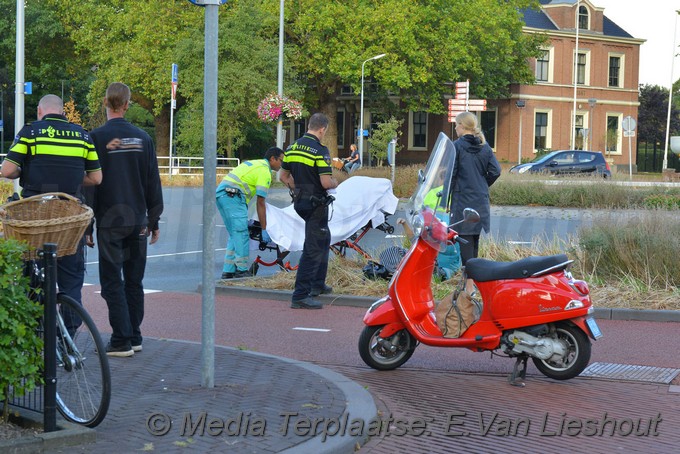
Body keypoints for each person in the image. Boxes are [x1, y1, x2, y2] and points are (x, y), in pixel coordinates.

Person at [1, 94, 102, 331]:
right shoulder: (82, 135)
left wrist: (22, 173)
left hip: (36, 217)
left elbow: (7, 170)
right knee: (71, 280)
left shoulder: (30, 132)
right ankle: (68, 337)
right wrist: (73, 181)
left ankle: (38, 339)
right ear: (62, 112)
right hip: (69, 217)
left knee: (33, 277)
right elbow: (96, 178)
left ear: (40, 111)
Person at [86, 82, 164, 358]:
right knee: (134, 280)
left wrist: (88, 225)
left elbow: (90, 185)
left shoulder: (95, 137)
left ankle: (120, 340)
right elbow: (153, 181)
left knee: (111, 281)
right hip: (138, 220)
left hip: (110, 220)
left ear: (105, 103)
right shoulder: (143, 138)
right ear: (128, 104)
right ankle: (135, 335)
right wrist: (154, 220)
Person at [279, 112, 338, 309]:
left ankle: (317, 284)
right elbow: (326, 182)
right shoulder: (320, 150)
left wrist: (298, 189)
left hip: (301, 201)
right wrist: (336, 181)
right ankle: (301, 295)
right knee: (313, 248)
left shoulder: (292, 147)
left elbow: (283, 176)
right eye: (325, 131)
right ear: (322, 129)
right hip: (316, 204)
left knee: (324, 238)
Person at [448, 112, 501, 289]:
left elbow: (451, 175)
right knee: (474, 242)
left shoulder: (456, 147)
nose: (455, 128)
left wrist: (446, 197)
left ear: (462, 126)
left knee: (464, 241)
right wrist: (481, 185)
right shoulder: (485, 147)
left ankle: (469, 287)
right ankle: (473, 283)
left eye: (456, 125)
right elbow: (496, 171)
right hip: (480, 200)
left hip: (462, 200)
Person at [216, 146, 284, 279]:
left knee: (235, 235)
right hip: (233, 197)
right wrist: (264, 228)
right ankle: (241, 270)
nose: (282, 164)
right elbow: (260, 202)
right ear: (272, 159)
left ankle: (228, 270)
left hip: (223, 195)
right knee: (241, 234)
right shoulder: (265, 171)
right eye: (281, 160)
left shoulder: (257, 164)